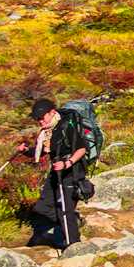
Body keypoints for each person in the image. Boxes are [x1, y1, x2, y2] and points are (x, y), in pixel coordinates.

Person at [28, 98, 89, 250]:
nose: (40, 121)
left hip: (71, 171)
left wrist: (67, 163)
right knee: (42, 208)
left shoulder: (66, 126)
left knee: (65, 210)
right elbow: (43, 151)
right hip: (56, 171)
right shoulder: (47, 132)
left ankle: (73, 247)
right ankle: (71, 221)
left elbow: (82, 148)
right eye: (37, 119)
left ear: (52, 112)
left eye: (42, 118)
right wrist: (26, 151)